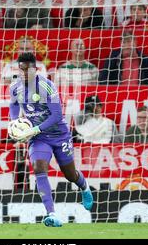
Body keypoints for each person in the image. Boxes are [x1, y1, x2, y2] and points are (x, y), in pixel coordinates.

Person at [9, 52, 93, 227]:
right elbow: (14, 104)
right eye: (21, 70)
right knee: (39, 167)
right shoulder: (15, 87)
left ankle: (84, 186)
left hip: (59, 135)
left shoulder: (47, 86)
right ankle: (52, 214)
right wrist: (15, 122)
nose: (24, 74)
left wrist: (34, 128)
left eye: (27, 70)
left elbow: (57, 115)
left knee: (69, 174)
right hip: (38, 138)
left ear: (35, 69)